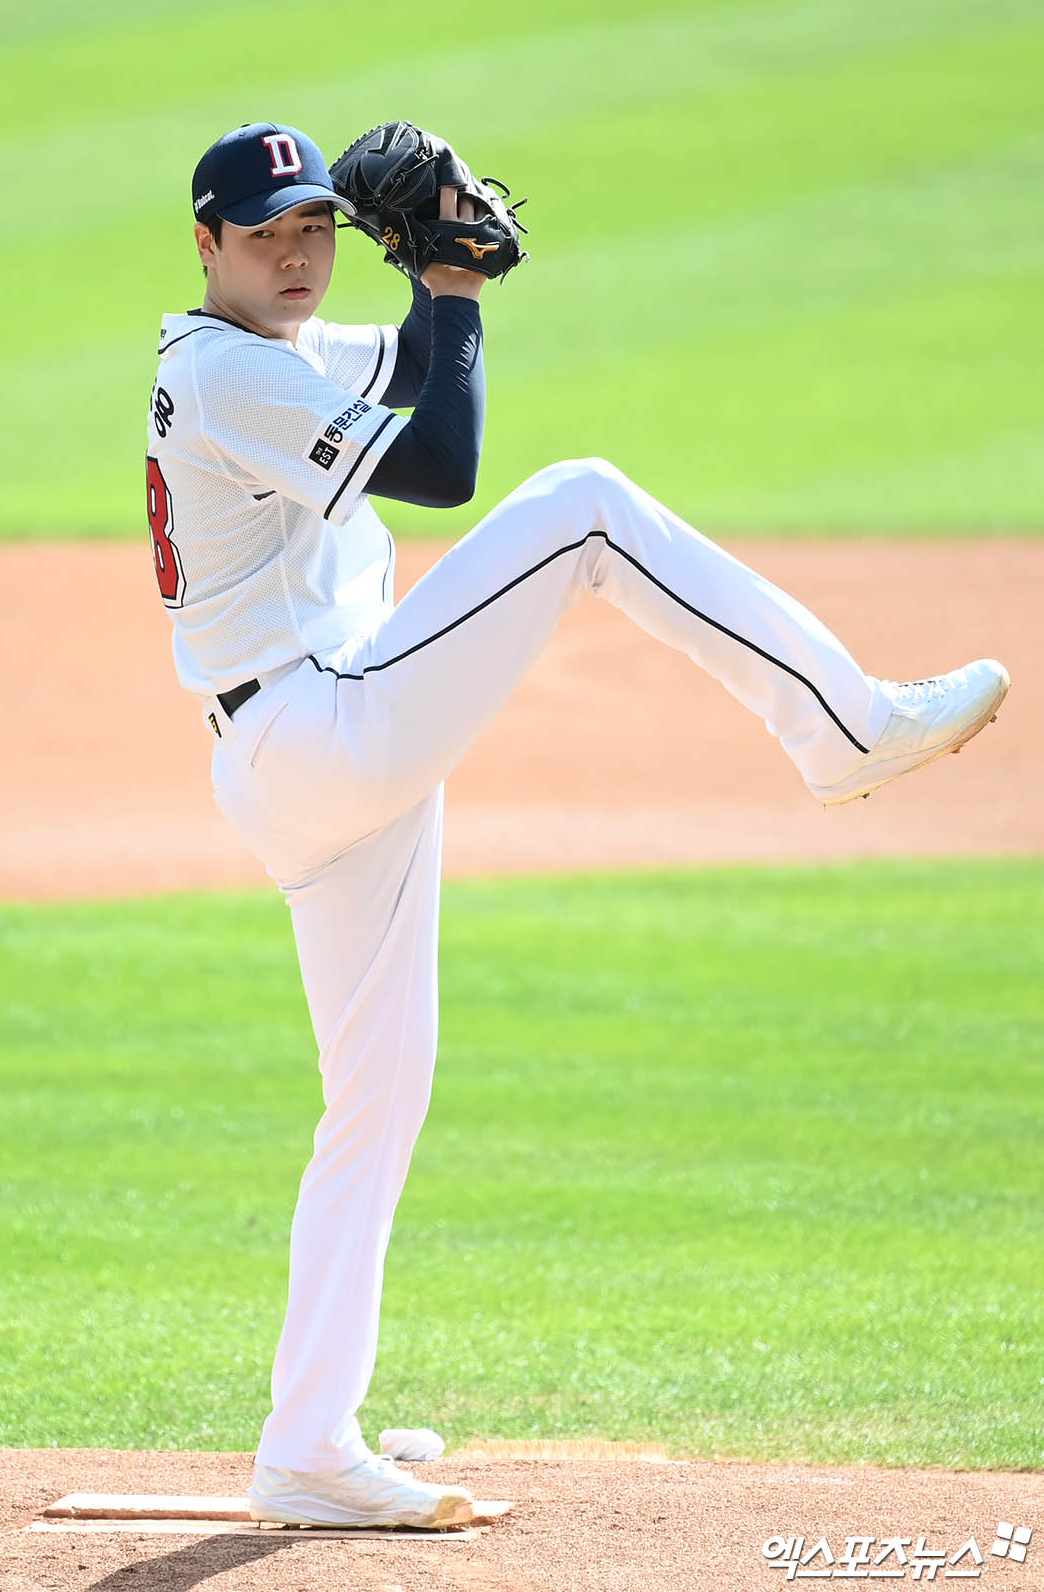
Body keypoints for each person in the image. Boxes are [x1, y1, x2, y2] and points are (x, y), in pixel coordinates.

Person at [145, 121, 1009, 1529]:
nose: (298, 252)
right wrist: (456, 286)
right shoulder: (221, 369)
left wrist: (438, 268)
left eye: (313, 227)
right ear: (206, 246)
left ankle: (306, 1438)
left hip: (313, 746)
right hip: (323, 728)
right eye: (266, 235)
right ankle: (842, 726)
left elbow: (416, 374)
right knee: (585, 506)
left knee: (376, 1102)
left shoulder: (273, 351)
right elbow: (446, 465)